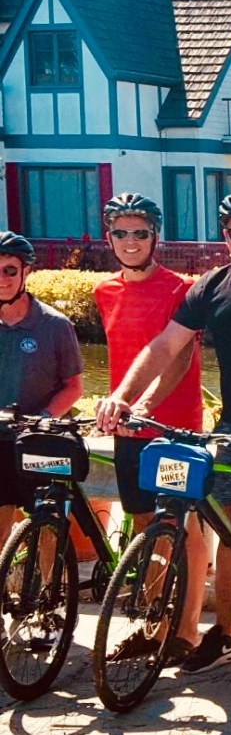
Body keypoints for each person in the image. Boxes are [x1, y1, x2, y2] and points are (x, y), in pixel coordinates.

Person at [95, 190, 231, 673]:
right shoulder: (211, 287)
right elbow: (163, 346)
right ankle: (227, 634)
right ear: (225, 237)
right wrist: (124, 397)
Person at [92, 195, 208, 652]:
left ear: (155, 236)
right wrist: (122, 407)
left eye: (140, 232)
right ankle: (153, 624)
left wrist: (145, 404)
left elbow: (180, 358)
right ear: (109, 239)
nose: (131, 241)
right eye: (121, 233)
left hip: (174, 427)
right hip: (127, 430)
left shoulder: (182, 289)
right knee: (144, 525)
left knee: (184, 524)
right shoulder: (104, 292)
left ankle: (187, 631)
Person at [0, 232, 84, 549]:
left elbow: (73, 387)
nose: (2, 279)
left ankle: (51, 596)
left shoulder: (54, 325)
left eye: (9, 270)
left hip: (39, 440)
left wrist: (44, 419)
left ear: (25, 273)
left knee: (47, 527)